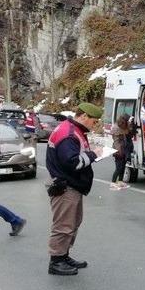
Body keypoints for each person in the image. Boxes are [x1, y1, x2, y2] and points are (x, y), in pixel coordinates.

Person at [45, 102, 104, 276]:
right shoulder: (69, 134)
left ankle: (63, 255)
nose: (95, 126)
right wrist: (94, 155)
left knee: (73, 222)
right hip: (65, 184)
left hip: (70, 184)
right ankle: (56, 261)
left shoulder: (72, 129)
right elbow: (72, 162)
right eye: (94, 122)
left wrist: (90, 152)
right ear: (84, 116)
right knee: (64, 225)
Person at [110, 114, 132, 190]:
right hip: (118, 150)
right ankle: (113, 183)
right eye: (127, 121)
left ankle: (120, 181)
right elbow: (116, 142)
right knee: (118, 168)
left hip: (123, 149)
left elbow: (128, 130)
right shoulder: (116, 128)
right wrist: (119, 151)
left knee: (122, 167)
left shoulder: (123, 126)